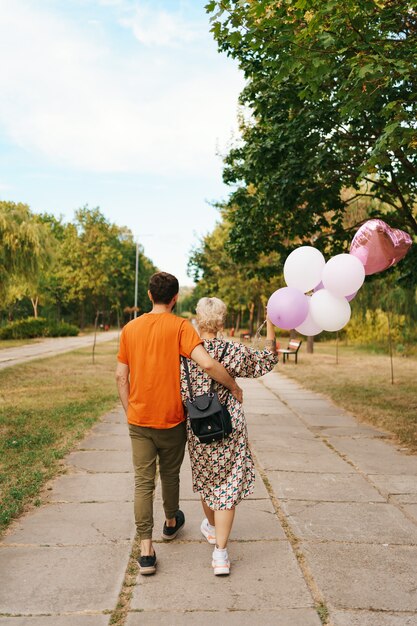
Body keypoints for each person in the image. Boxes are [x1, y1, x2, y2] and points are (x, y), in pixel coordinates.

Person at [115, 273, 243, 576]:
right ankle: (171, 523)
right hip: (172, 418)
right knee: (170, 475)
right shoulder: (181, 327)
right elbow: (208, 363)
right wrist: (234, 387)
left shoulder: (130, 329)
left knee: (143, 483)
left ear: (149, 295)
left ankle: (146, 550)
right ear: (175, 298)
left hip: (139, 418)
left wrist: (129, 411)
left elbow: (121, 376)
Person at [180, 297, 278, 576]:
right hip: (229, 427)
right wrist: (270, 324)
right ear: (222, 322)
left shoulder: (186, 352)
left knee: (206, 481)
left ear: (198, 320)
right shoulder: (232, 350)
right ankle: (220, 554)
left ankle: (211, 527)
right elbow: (266, 361)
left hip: (197, 428)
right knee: (227, 488)